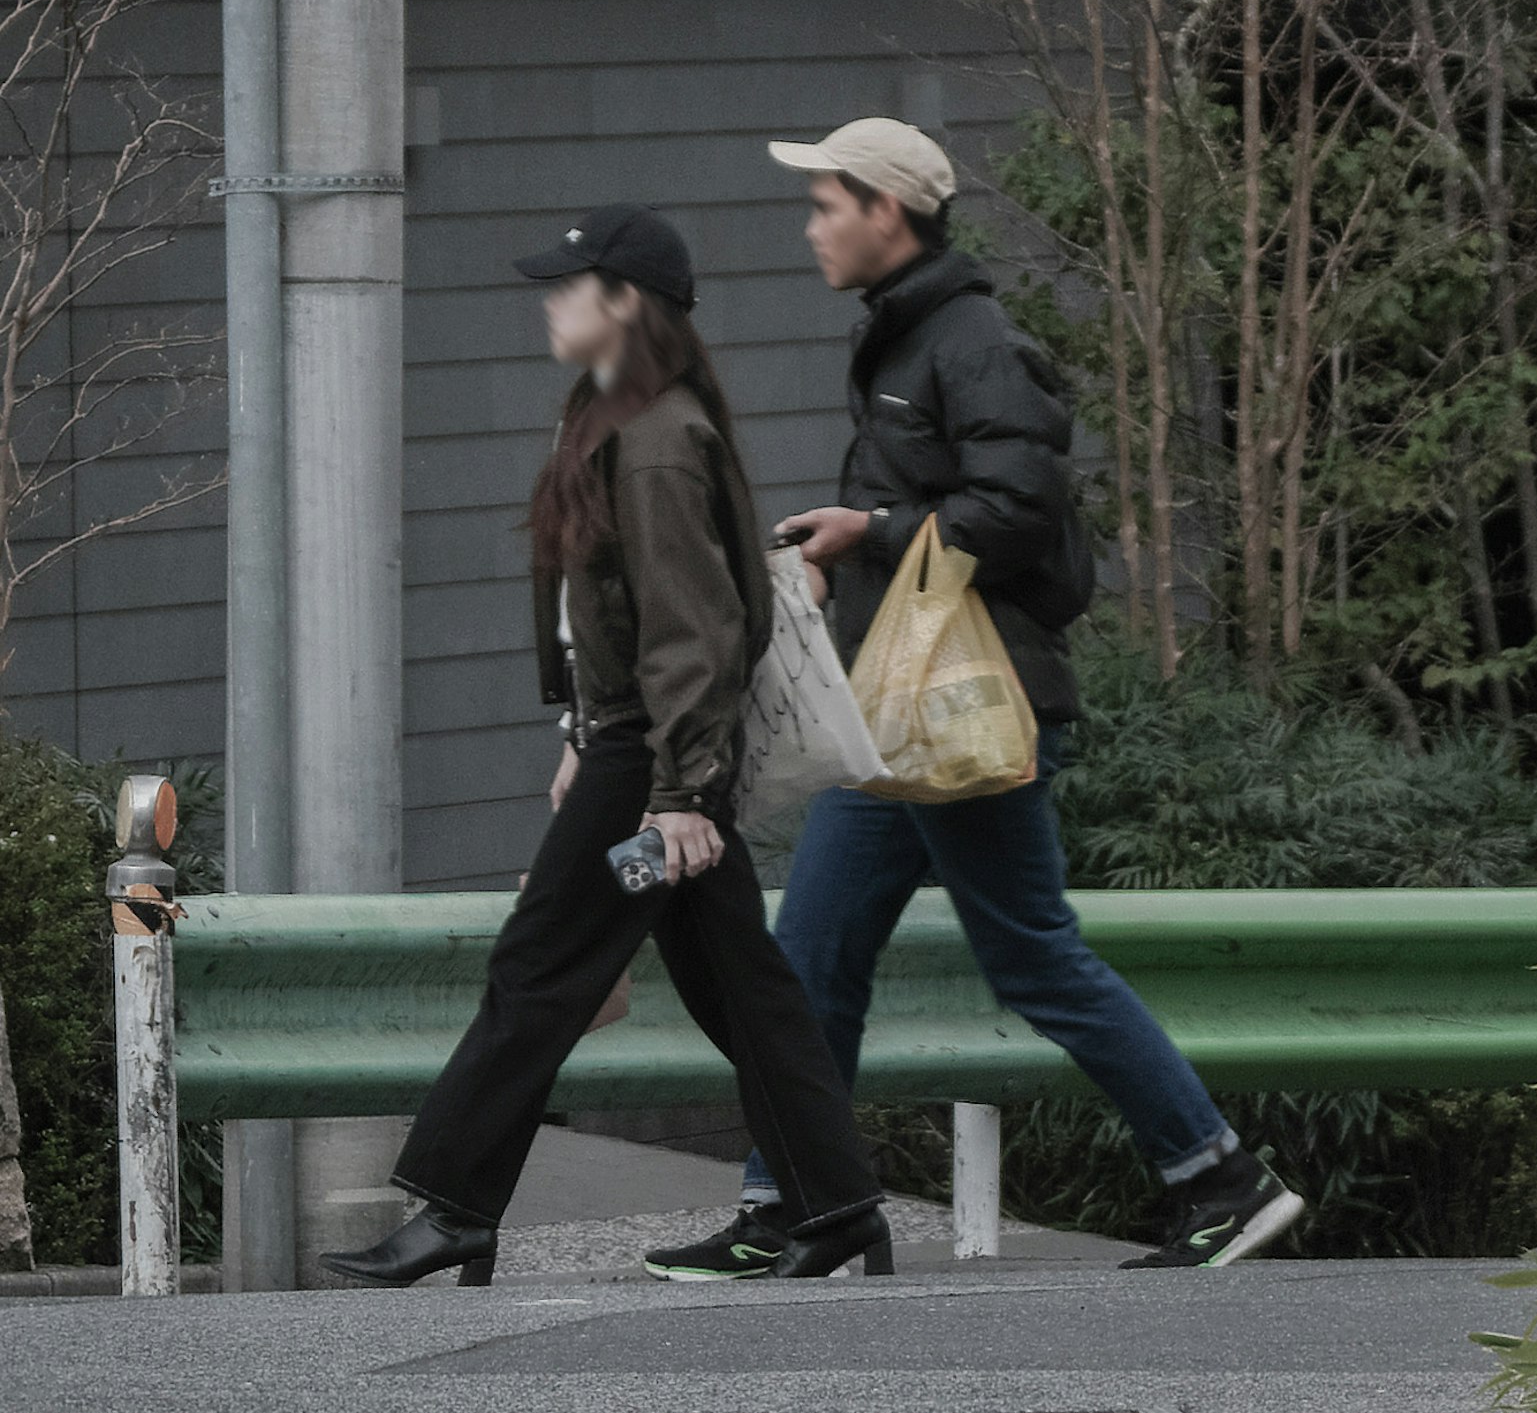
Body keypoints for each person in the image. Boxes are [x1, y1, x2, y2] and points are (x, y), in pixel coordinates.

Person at [648, 115, 1303, 1281]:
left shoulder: (970, 338)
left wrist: (871, 531)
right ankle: (795, 1206)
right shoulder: (911, 339)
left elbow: (1019, 510)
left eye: (826, 204)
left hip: (970, 711)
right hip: (905, 718)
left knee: (1032, 957)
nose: (811, 227)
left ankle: (1218, 1177)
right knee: (810, 957)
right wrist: (847, 544)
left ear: (887, 212)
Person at [325, 213, 893, 1292]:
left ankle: (453, 1207)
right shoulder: (613, 417)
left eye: (568, 283)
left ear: (625, 300)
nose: (549, 301)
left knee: (538, 967)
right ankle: (838, 1202)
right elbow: (624, 624)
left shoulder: (659, 436)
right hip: (639, 752)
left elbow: (697, 627)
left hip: (657, 764)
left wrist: (675, 791)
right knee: (741, 986)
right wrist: (583, 738)